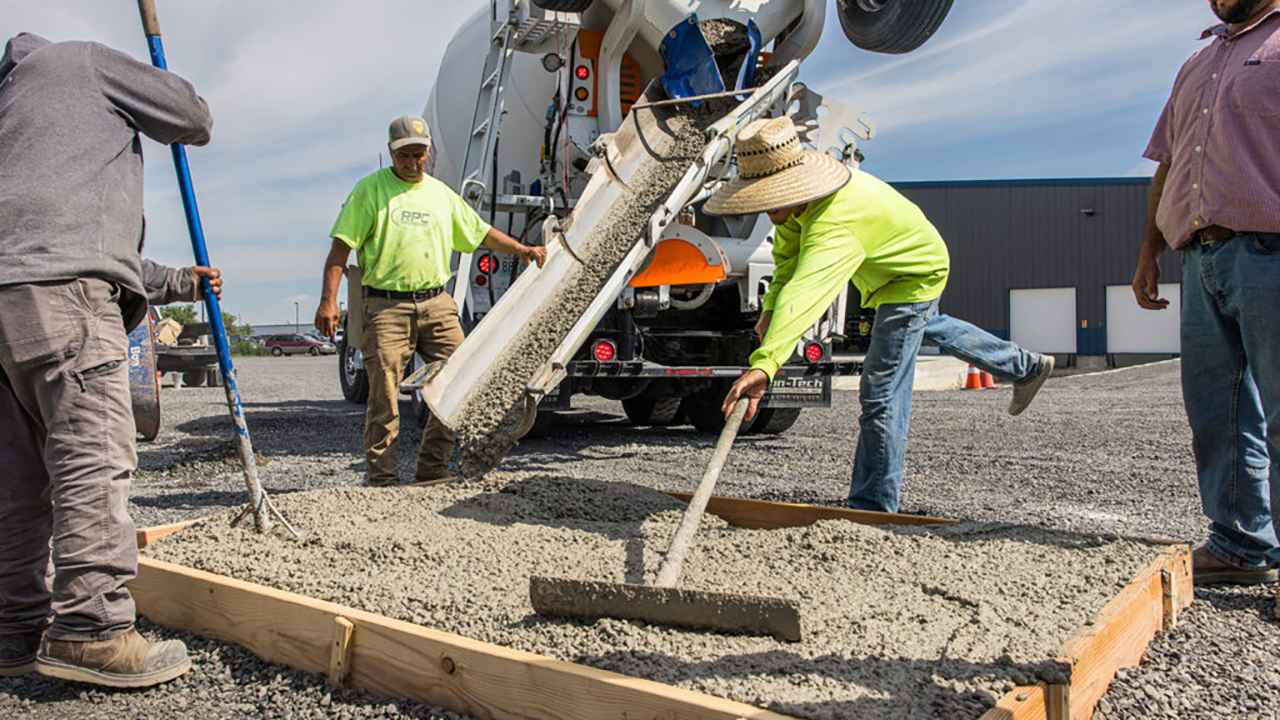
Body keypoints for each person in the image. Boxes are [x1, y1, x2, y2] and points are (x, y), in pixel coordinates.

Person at [0, 33, 215, 685]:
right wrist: (152, 79)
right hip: (64, 296)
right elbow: (191, 116)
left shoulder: (12, 107)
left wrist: (179, 282)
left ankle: (15, 629)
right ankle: (92, 631)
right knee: (92, 454)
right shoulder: (83, 62)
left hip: (10, 293)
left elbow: (69, 232)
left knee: (18, 477)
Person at [710, 116, 1054, 514]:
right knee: (926, 326)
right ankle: (1024, 365)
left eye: (770, 199)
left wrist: (766, 364)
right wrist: (770, 310)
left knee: (881, 395)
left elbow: (807, 292)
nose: (767, 210)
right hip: (890, 267)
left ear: (793, 185)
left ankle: (872, 509)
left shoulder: (835, 221)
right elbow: (787, 261)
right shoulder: (794, 208)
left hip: (912, 274)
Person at [1132, 0, 1280, 586]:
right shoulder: (1196, 61)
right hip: (1199, 256)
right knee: (1217, 412)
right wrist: (1150, 248)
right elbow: (1167, 162)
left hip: (1269, 249)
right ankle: (1241, 543)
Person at [315, 116, 547, 487]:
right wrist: (328, 302)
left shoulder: (440, 195)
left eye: (419, 155)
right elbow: (340, 250)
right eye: (404, 156)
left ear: (429, 152)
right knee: (385, 397)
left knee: (457, 384)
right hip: (386, 306)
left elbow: (480, 232)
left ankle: (431, 471)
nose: (412, 163)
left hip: (436, 304)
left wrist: (522, 250)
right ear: (392, 152)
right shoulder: (370, 191)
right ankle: (383, 480)